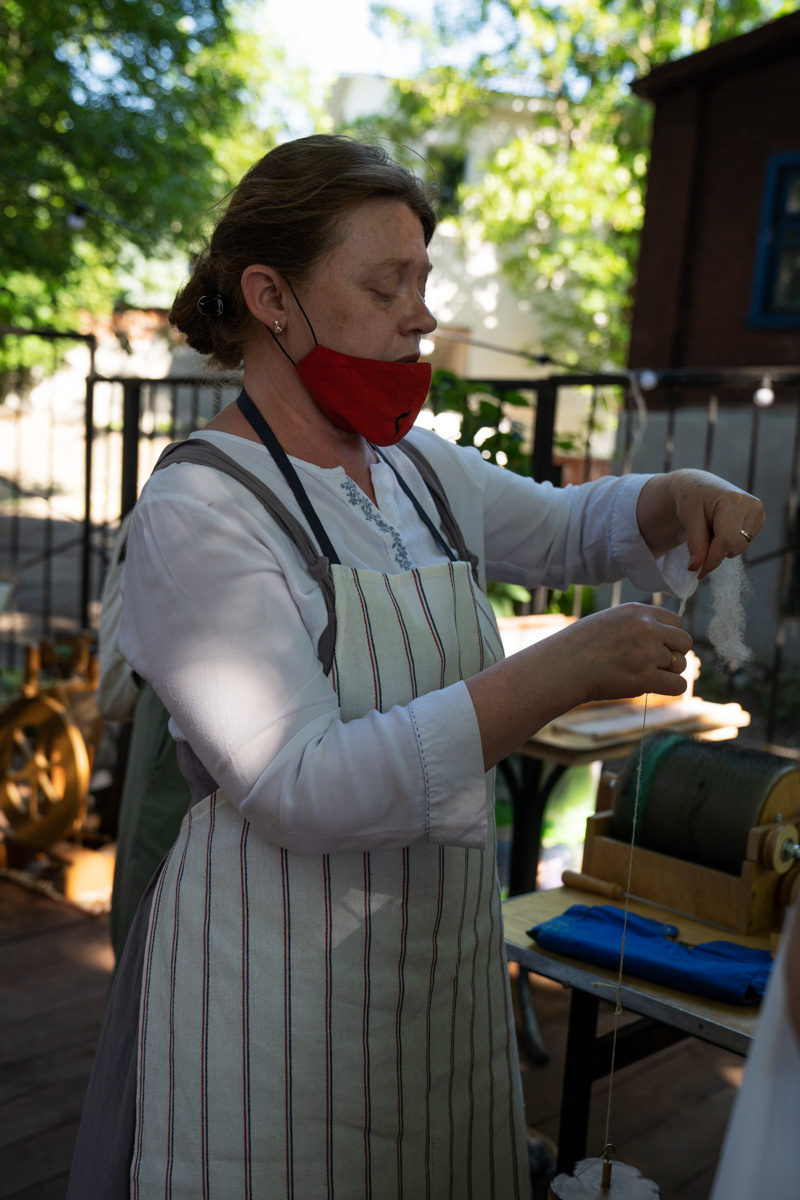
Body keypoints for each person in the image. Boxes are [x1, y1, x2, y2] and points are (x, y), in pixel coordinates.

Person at [66, 133, 764, 1200]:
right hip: (276, 996)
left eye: (421, 279)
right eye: (385, 282)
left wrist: (675, 492)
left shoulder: (409, 471)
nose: (421, 313)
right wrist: (563, 668)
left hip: (431, 966)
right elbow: (299, 783)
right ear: (271, 297)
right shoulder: (200, 511)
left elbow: (573, 525)